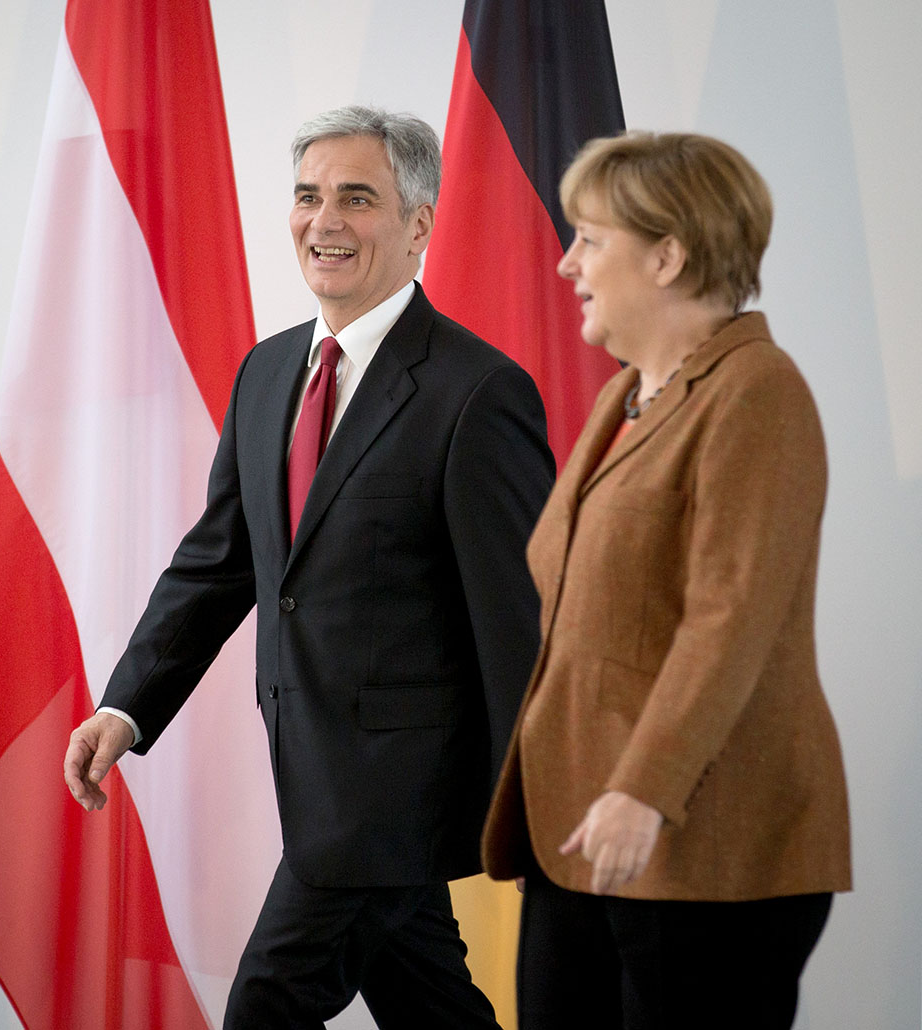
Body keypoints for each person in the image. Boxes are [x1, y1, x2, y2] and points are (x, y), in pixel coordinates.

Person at [63, 105, 555, 1029]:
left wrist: (537, 803)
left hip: (396, 795)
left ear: (418, 223)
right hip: (314, 774)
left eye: (356, 198)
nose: (323, 222)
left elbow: (518, 621)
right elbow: (218, 566)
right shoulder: (267, 372)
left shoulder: (479, 392)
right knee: (432, 1006)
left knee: (267, 1004)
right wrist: (125, 708)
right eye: (307, 196)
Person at [480, 130, 852, 1030]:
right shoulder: (626, 394)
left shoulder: (757, 392)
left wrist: (643, 789)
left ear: (668, 255)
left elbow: (729, 620)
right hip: (583, 838)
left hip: (702, 845)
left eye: (591, 239)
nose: (568, 265)